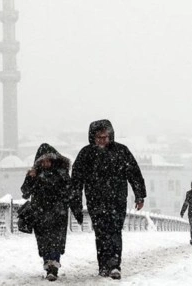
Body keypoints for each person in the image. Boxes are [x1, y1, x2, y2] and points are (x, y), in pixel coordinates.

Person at [71, 119, 146, 280]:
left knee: (114, 231)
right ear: (93, 137)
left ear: (110, 136)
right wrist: (75, 202)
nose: (102, 141)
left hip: (117, 200)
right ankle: (103, 265)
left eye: (105, 137)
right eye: (99, 137)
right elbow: (76, 180)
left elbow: (134, 173)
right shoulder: (86, 154)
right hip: (95, 200)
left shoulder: (121, 151)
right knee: (101, 232)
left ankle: (114, 265)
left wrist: (140, 195)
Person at [21, 143, 83, 282]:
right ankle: (48, 264)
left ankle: (53, 267)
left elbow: (71, 194)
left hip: (58, 214)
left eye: (49, 160)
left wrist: (77, 211)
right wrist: (30, 178)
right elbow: (25, 193)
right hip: (40, 214)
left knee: (56, 240)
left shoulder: (62, 174)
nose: (46, 163)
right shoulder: (35, 175)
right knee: (43, 242)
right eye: (43, 161)